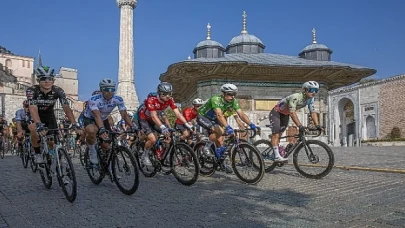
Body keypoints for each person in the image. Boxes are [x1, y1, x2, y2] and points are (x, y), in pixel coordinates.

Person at [26, 65, 81, 163]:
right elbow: (33, 109)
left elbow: (66, 108)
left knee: (52, 140)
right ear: (38, 80)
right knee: (34, 130)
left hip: (49, 115)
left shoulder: (58, 90)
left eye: (50, 79)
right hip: (35, 115)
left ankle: (51, 154)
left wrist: (74, 123)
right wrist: (38, 124)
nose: (47, 81)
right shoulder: (32, 90)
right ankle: (38, 153)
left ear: (53, 81)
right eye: (43, 79)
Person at [197, 83, 257, 162]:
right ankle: (206, 147)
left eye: (234, 94)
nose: (232, 96)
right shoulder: (216, 99)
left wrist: (251, 124)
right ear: (223, 94)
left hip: (214, 119)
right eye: (230, 94)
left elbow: (241, 114)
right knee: (220, 131)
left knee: (220, 141)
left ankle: (220, 162)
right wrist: (227, 127)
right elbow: (219, 115)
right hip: (203, 117)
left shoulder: (233, 101)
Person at [137, 82, 192, 167]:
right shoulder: (151, 100)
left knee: (169, 136)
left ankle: (166, 155)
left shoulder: (170, 100)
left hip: (155, 119)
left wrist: (186, 124)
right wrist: (162, 127)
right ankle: (145, 154)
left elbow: (178, 114)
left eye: (169, 94)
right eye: (165, 94)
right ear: (159, 93)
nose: (168, 96)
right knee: (153, 139)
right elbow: (154, 116)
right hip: (144, 119)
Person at [83, 78, 136, 164]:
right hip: (91, 118)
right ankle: (92, 150)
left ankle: (106, 165)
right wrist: (101, 129)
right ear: (101, 90)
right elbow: (97, 115)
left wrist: (133, 126)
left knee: (106, 145)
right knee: (92, 131)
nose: (110, 92)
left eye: (112, 90)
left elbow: (124, 115)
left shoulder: (118, 99)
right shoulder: (93, 99)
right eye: (107, 90)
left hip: (104, 119)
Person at [269, 81, 323, 162]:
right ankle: (276, 156)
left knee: (280, 134)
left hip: (285, 115)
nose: (314, 92)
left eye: (316, 90)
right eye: (312, 90)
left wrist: (317, 125)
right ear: (305, 90)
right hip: (276, 113)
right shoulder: (295, 97)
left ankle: (276, 151)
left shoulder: (310, 99)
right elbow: (292, 113)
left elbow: (313, 112)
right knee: (276, 134)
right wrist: (300, 125)